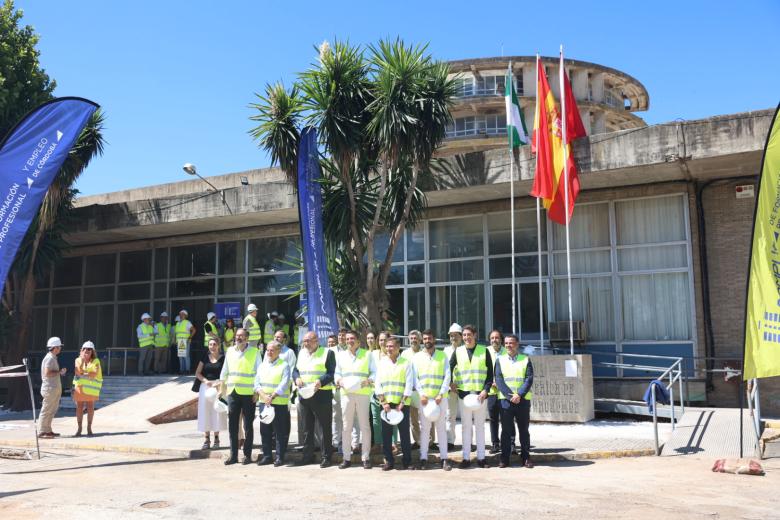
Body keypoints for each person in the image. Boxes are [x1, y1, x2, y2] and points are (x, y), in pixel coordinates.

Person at [450, 324, 493, 468]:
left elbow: (490, 374)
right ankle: (466, 458)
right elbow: (448, 368)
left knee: (480, 427)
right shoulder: (458, 351)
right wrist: (451, 384)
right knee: (466, 427)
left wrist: (486, 390)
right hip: (464, 395)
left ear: (475, 335)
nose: (467, 338)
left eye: (469, 335)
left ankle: (481, 458)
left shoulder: (484, 351)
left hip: (480, 396)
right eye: (464, 335)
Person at [335, 330, 376, 469]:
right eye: (347, 339)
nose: (349, 341)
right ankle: (346, 458)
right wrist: (338, 380)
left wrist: (368, 381)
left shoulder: (367, 354)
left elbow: (375, 372)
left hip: (363, 393)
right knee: (346, 427)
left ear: (358, 341)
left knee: (365, 426)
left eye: (352, 338)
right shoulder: (341, 356)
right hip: (346, 394)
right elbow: (337, 372)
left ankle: (366, 457)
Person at [294, 331, 335, 468]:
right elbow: (295, 370)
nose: (306, 343)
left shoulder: (327, 353)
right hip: (304, 394)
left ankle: (326, 457)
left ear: (316, 340)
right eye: (304, 341)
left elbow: (331, 373)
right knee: (307, 427)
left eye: (309, 341)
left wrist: (320, 381)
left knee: (324, 428)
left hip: (321, 394)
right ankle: (307, 455)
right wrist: (296, 378)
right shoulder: (301, 353)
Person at [220, 328, 261, 465]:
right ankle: (233, 455)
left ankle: (247, 455)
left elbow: (259, 374)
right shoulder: (230, 351)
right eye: (237, 336)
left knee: (248, 426)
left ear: (247, 338)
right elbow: (224, 371)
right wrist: (222, 388)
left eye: (242, 336)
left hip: (249, 394)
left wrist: (257, 393)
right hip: (233, 392)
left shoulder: (255, 352)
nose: (238, 338)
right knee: (232, 426)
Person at [414, 330, 452, 471]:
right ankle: (423, 458)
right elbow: (415, 378)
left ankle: (444, 459)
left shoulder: (442, 355)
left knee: (441, 429)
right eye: (425, 338)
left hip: (439, 399)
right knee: (425, 430)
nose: (427, 340)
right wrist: (422, 394)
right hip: (424, 400)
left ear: (434, 339)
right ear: (422, 340)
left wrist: (441, 393)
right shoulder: (417, 357)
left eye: (430, 338)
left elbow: (447, 375)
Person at [495, 334, 534, 468]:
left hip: (522, 401)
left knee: (524, 430)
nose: (508, 346)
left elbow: (529, 379)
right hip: (506, 401)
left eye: (511, 343)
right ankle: (505, 458)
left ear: (517, 344)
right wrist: (510, 395)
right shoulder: (499, 360)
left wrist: (519, 395)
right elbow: (499, 380)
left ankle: (526, 457)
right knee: (506, 431)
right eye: (506, 343)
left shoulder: (525, 359)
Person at [375, 336, 414, 471]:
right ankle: (389, 461)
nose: (388, 349)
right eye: (387, 346)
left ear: (398, 348)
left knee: (404, 434)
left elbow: (409, 384)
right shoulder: (381, 363)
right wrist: (383, 402)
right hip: (386, 405)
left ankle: (407, 461)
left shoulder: (406, 363)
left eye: (391, 346)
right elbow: (378, 384)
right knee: (386, 434)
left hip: (401, 405)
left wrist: (402, 403)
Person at [254, 340, 292, 466]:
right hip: (264, 402)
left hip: (279, 402)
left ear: (279, 351)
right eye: (268, 350)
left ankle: (280, 457)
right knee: (265, 430)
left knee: (279, 430)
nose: (269, 352)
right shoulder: (262, 365)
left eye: (272, 350)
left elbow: (284, 383)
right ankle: (267, 456)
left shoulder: (284, 365)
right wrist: (264, 396)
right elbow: (256, 383)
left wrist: (273, 396)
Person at [194, 338, 226, 450]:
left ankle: (217, 438)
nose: (212, 346)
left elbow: (225, 374)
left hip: (217, 387)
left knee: (216, 412)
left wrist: (219, 383)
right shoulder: (204, 357)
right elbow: (197, 373)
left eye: (214, 344)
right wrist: (205, 381)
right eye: (210, 344)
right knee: (205, 412)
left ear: (218, 346)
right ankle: (206, 439)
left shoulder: (223, 359)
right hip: (205, 387)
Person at [72, 341, 102, 437]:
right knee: (79, 408)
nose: (87, 351)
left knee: (90, 408)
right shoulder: (78, 360)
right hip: (79, 389)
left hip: (90, 390)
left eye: (89, 349)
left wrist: (83, 374)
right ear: (81, 350)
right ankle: (79, 428)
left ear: (93, 351)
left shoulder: (96, 361)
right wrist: (82, 359)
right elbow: (77, 371)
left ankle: (89, 428)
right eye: (84, 349)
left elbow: (94, 374)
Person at [38, 337, 66, 439]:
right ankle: (41, 431)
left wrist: (59, 372)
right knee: (46, 409)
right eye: (59, 347)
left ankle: (48, 430)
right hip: (49, 389)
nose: (60, 348)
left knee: (51, 410)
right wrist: (59, 372)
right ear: (55, 347)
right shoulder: (50, 358)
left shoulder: (53, 357)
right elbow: (47, 373)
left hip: (53, 389)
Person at [401, 330, 423, 449]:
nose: (413, 340)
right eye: (412, 338)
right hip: (410, 390)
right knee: (413, 418)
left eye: (416, 338)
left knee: (426, 416)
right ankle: (417, 440)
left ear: (420, 340)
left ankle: (430, 441)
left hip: (423, 391)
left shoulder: (424, 353)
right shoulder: (404, 354)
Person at [443, 323, 463, 449]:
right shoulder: (445, 351)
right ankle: (450, 441)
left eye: (456, 335)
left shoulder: (467, 350)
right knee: (449, 415)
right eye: (451, 335)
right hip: (451, 389)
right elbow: (444, 370)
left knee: (468, 417)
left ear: (461, 336)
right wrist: (450, 385)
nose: (453, 338)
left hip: (465, 387)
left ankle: (469, 442)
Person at [487, 329, 507, 454]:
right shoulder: (486, 352)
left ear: (501, 339)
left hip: (505, 391)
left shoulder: (507, 352)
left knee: (507, 418)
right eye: (492, 338)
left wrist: (500, 383)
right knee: (493, 418)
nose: (495, 340)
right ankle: (495, 443)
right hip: (492, 391)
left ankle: (510, 443)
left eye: (497, 338)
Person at [330, 329, 348, 453]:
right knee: (336, 416)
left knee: (349, 417)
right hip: (335, 387)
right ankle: (336, 442)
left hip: (348, 388)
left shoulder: (351, 349)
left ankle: (351, 443)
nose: (341, 337)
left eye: (343, 335)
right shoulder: (331, 350)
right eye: (340, 335)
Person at [175, 310, 196, 374]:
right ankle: (182, 370)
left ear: (186, 315)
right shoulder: (178, 323)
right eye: (180, 314)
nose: (181, 315)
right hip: (179, 341)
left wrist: (189, 337)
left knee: (186, 356)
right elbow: (177, 333)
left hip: (185, 340)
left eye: (182, 314)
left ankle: (187, 370)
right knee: (180, 356)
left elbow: (194, 330)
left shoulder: (187, 322)